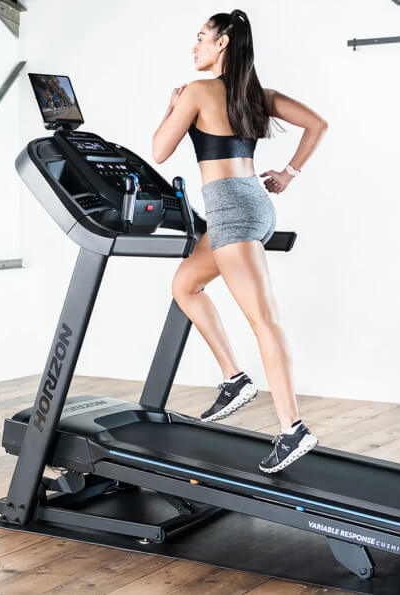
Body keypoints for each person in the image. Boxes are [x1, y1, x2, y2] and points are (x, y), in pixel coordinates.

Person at [152, 9, 328, 474]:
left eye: (201, 38)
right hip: (251, 205)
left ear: (224, 43)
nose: (195, 47)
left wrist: (172, 107)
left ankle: (293, 429)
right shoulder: (257, 95)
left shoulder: (196, 91)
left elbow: (159, 149)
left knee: (264, 320)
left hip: (231, 210)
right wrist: (288, 176)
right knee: (185, 285)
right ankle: (234, 377)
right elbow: (318, 124)